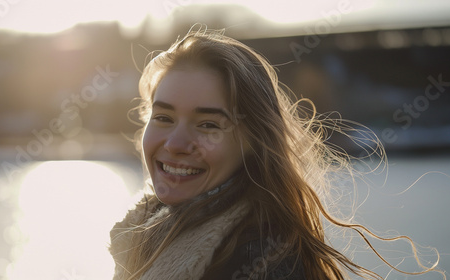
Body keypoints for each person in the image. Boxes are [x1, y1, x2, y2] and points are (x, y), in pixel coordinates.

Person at [109, 27, 442, 280]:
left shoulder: (266, 264)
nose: (175, 143)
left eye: (209, 124)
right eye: (163, 118)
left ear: (253, 140)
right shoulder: (145, 235)